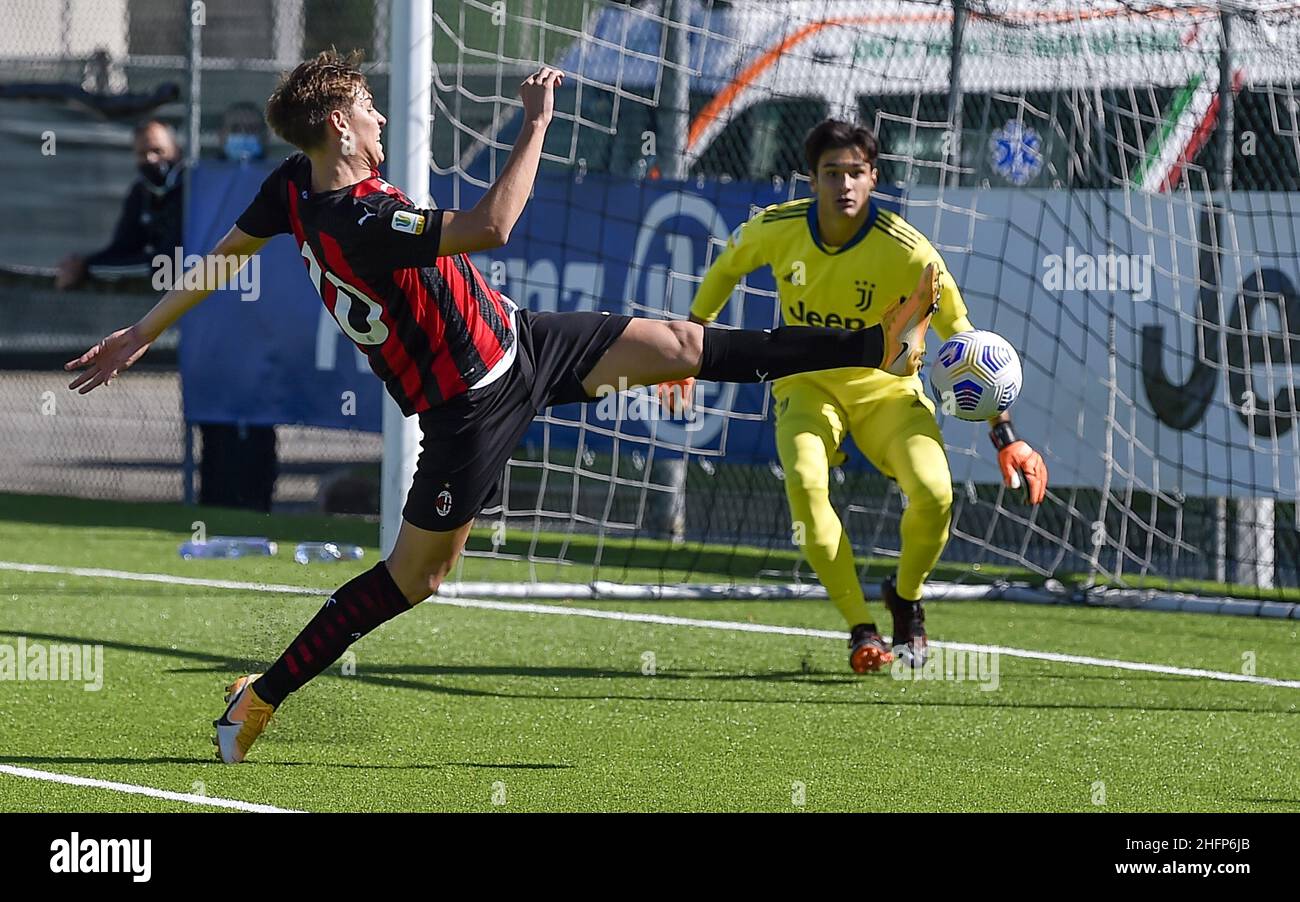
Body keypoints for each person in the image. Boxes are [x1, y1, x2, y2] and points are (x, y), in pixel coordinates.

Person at [66, 52, 937, 764]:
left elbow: (225, 255)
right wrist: (534, 125)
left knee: (682, 345)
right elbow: (491, 227)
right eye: (366, 106)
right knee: (416, 580)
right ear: (340, 125)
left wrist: (139, 334)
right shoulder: (356, 216)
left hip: (523, 342)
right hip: (466, 412)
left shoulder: (292, 185)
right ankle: (259, 698)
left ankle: (875, 347)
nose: (376, 117)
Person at [674, 119, 1048, 673]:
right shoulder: (775, 229)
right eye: (832, 173)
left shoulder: (910, 252)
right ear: (812, 180)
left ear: (874, 178)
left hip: (887, 391)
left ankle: (906, 597)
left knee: (935, 492)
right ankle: (860, 628)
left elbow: (968, 346)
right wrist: (688, 346)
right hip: (806, 383)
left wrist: (1006, 436)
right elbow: (726, 268)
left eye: (856, 172)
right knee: (804, 481)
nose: (844, 184)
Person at [55, 120, 183, 288]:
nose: (150, 159)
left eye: (157, 150)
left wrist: (88, 268)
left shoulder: (192, 190)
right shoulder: (140, 192)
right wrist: (81, 265)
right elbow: (123, 247)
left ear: (176, 151)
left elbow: (164, 265)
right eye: (142, 153)